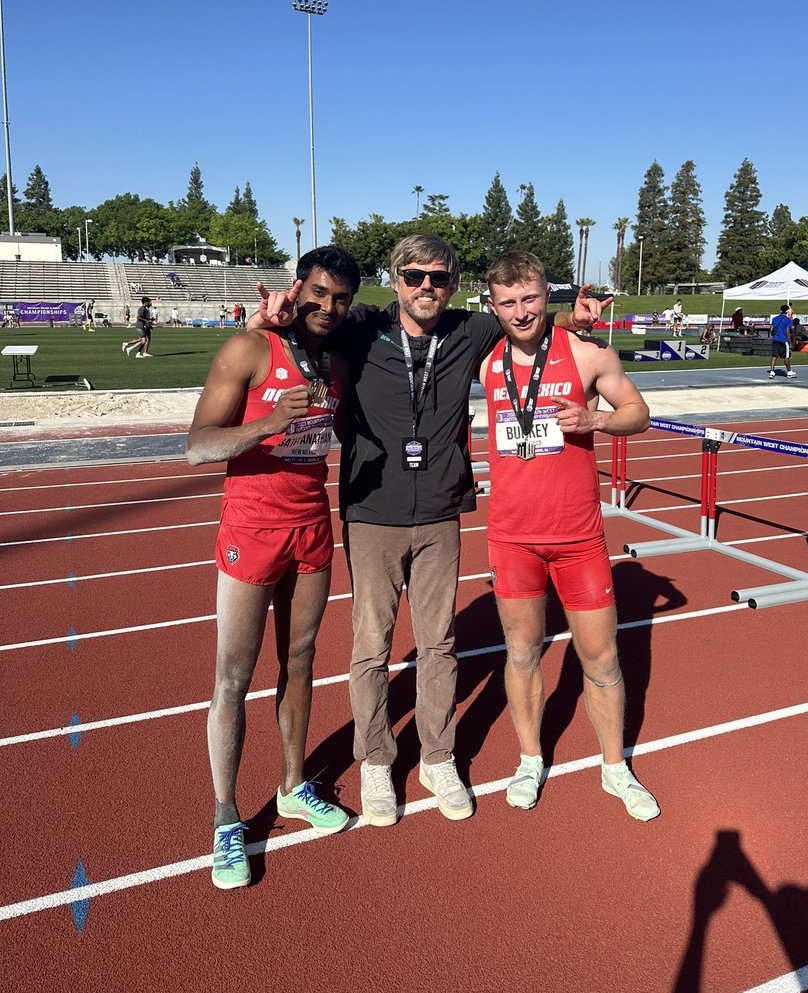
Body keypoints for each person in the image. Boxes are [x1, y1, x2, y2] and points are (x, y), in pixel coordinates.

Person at [249, 234, 606, 828]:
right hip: (372, 512)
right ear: (395, 279)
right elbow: (304, 332)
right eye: (414, 276)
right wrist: (276, 325)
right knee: (372, 645)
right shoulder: (359, 325)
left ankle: (438, 757)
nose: (425, 287)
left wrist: (572, 315)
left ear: (452, 284)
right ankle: (374, 761)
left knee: (439, 642)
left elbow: (524, 322)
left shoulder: (470, 331)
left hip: (440, 511)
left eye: (438, 278)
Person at [185, 246, 361, 890]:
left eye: (340, 299)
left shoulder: (337, 359)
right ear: (298, 287)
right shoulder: (249, 350)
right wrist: (265, 422)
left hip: (313, 524)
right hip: (251, 528)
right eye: (317, 293)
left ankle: (292, 785)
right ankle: (227, 817)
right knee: (233, 677)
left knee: (302, 659)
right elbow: (196, 448)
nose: (328, 307)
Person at [479, 251, 659, 821]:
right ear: (493, 306)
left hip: (578, 537)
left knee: (601, 658)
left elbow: (639, 411)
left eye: (530, 298)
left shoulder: (588, 356)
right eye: (508, 302)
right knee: (522, 652)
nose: (521, 311)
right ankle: (530, 758)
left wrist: (596, 420)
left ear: (546, 295)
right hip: (513, 538)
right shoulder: (484, 361)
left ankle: (614, 767)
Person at [769, 304, 796, 379]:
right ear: (787, 311)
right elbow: (788, 332)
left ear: (780, 310)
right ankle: (789, 372)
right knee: (786, 357)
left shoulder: (774, 319)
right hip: (783, 340)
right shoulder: (788, 320)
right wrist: (790, 342)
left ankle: (771, 371)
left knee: (774, 356)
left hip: (775, 339)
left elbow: (771, 329)